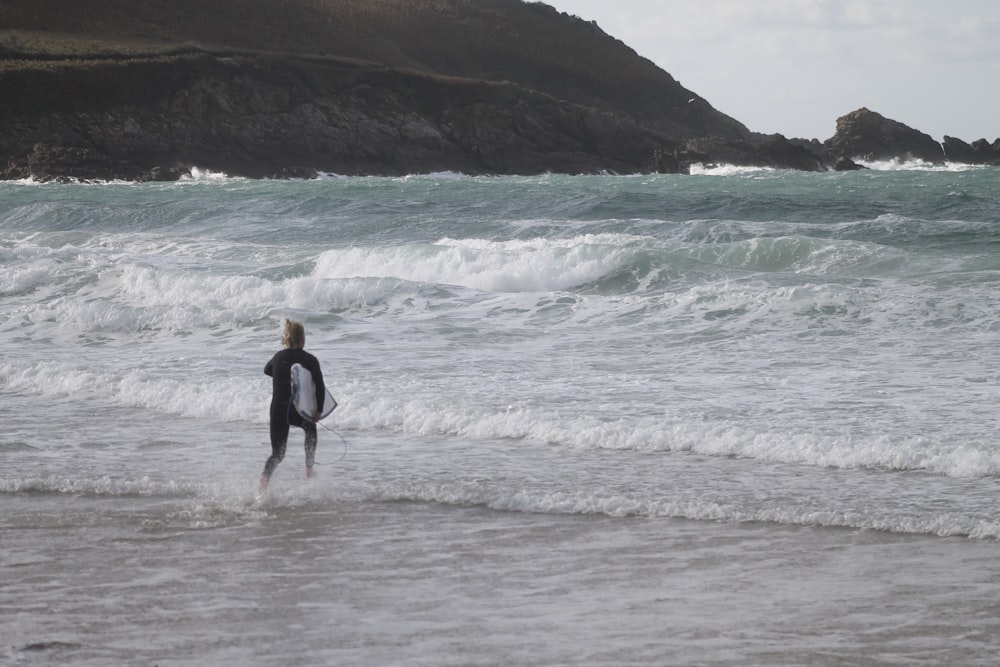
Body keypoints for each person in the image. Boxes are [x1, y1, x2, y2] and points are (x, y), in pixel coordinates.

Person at [259, 319, 326, 494]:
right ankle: (309, 469)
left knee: (278, 453)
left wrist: (283, 375)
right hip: (297, 410)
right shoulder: (309, 360)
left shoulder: (278, 357)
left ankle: (264, 479)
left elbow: (267, 370)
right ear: (302, 339)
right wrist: (318, 410)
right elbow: (319, 386)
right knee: (311, 428)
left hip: (278, 410)